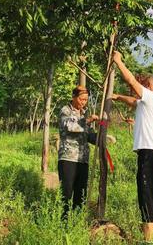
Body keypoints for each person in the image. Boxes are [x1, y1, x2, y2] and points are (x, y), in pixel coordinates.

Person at [112, 51, 153, 242]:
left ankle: (148, 241)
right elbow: (133, 101)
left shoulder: (152, 97)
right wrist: (118, 97)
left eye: (147, 84)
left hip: (150, 156)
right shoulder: (150, 102)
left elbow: (131, 83)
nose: (143, 85)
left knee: (147, 197)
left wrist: (118, 61)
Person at [57, 85, 98, 218]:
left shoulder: (84, 113)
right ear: (74, 97)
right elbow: (70, 126)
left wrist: (101, 138)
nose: (83, 102)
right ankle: (64, 222)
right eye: (81, 99)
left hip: (82, 159)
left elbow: (89, 135)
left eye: (86, 100)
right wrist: (86, 121)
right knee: (67, 192)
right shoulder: (65, 111)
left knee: (81, 194)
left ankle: (76, 222)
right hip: (68, 158)